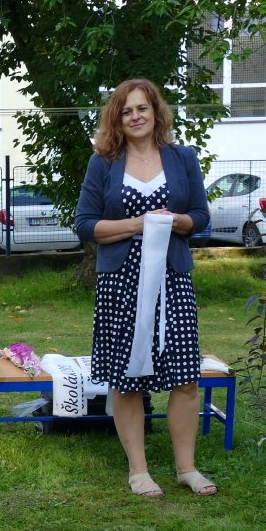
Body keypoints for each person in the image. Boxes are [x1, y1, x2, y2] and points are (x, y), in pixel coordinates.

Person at [73, 77, 215, 498]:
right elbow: (85, 224)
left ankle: (186, 468)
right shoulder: (103, 163)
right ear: (117, 119)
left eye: (142, 108)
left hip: (172, 280)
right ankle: (138, 470)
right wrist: (137, 224)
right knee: (127, 378)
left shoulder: (182, 158)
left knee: (185, 375)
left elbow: (201, 217)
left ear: (156, 112)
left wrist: (177, 221)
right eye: (126, 111)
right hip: (121, 283)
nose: (135, 116)